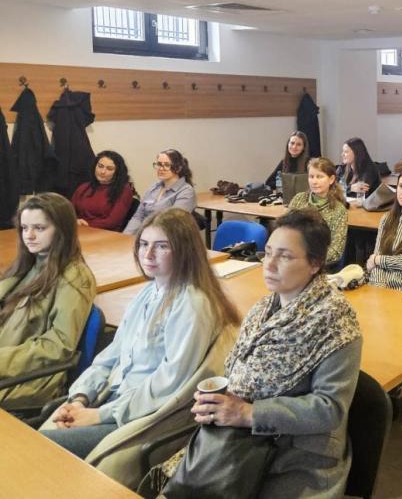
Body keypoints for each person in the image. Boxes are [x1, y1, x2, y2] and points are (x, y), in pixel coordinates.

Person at [150, 209, 362, 498]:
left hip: (298, 455)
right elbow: (240, 375)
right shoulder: (263, 308)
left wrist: (248, 413)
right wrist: (219, 403)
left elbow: (330, 409)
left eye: (285, 257)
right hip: (241, 440)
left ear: (315, 264)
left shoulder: (335, 320)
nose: (269, 265)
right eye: (269, 252)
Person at [42, 208, 238, 458]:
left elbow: (168, 384)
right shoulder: (149, 291)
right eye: (144, 244)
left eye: (162, 246)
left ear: (184, 251)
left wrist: (99, 414)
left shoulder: (192, 303)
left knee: (39, 451)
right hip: (115, 401)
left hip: (142, 418)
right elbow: (112, 354)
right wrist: (80, 397)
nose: (148, 254)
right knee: (30, 444)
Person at [0, 194, 96, 411]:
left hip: (27, 378)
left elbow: (57, 347)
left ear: (62, 230)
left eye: (39, 228)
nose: (29, 235)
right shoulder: (30, 264)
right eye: (24, 228)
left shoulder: (75, 277)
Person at [288, 157, 348, 266]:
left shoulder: (338, 210)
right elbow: (285, 230)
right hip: (292, 257)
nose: (314, 181)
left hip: (318, 264)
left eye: (319, 177)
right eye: (311, 177)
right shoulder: (299, 199)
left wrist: (307, 261)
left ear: (331, 179)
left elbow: (336, 251)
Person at [124, 149, 195, 235]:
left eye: (167, 165)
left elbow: (173, 223)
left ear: (178, 168)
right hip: (144, 235)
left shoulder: (186, 191)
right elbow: (138, 216)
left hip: (167, 237)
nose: (161, 168)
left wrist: (145, 236)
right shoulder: (154, 187)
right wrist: (125, 236)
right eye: (159, 164)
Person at [71, 150, 135, 231]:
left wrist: (86, 225)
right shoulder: (84, 187)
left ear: (117, 172)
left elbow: (112, 222)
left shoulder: (124, 190)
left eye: (109, 169)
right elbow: (69, 211)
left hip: (105, 233)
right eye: (100, 166)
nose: (103, 171)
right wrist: (75, 221)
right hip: (80, 229)